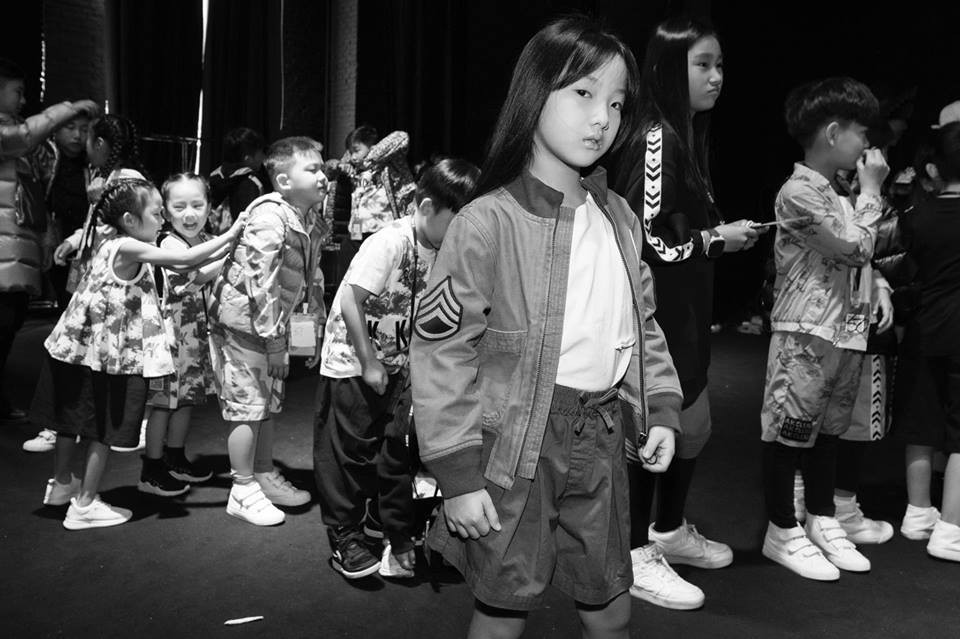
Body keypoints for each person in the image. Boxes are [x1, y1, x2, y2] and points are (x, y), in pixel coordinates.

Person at [410, 16, 682, 639]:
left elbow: (642, 323)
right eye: (583, 93)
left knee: (611, 608)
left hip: (603, 436)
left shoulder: (620, 218)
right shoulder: (487, 222)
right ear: (535, 93)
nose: (602, 118)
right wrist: (458, 478)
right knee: (502, 612)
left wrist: (661, 408)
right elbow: (442, 353)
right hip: (517, 445)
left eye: (616, 103)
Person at [612, 17, 760, 610]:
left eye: (720, 64)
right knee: (657, 429)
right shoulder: (657, 138)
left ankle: (667, 531)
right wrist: (717, 238)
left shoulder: (684, 135)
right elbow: (647, 240)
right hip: (658, 316)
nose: (717, 76)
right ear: (670, 69)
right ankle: (631, 554)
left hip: (686, 311)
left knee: (692, 425)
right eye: (703, 64)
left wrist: (716, 236)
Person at [37, 178, 246, 529]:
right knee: (102, 429)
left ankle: (61, 486)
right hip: (103, 358)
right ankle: (85, 504)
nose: (163, 220)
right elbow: (184, 261)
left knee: (69, 423)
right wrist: (234, 234)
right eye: (157, 213)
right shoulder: (129, 247)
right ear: (130, 220)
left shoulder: (111, 242)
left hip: (73, 350)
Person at [313, 158, 479, 579]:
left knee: (389, 449)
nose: (459, 235)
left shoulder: (439, 249)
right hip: (354, 363)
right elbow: (350, 300)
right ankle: (344, 534)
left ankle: (378, 520)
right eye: (455, 222)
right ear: (426, 207)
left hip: (397, 366)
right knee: (347, 453)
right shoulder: (389, 242)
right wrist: (368, 361)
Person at [760, 77, 891, 581]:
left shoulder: (839, 191)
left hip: (845, 331)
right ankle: (780, 529)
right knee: (789, 433)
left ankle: (821, 518)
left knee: (828, 433)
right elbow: (855, 246)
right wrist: (872, 192)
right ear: (834, 133)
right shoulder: (799, 192)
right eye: (862, 132)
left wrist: (878, 286)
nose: (867, 144)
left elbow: (862, 257)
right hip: (806, 333)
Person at [208, 136, 327, 526]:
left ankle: (261, 473)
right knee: (247, 406)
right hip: (243, 327)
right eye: (312, 169)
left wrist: (311, 332)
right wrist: (276, 341)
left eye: (322, 168)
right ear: (284, 180)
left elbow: (310, 279)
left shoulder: (310, 218)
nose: (323, 176)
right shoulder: (268, 216)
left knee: (267, 404)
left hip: (271, 327)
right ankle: (242, 488)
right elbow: (261, 283)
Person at [31, 114, 150, 454]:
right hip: (94, 281)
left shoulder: (126, 179)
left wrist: (96, 201)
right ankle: (64, 425)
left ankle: (96, 426)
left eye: (88, 137)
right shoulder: (105, 177)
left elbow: (124, 231)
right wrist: (73, 240)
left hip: (111, 286)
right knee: (78, 356)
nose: (83, 144)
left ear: (99, 143)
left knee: (94, 359)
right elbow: (98, 226)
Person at [0, 57, 98, 423]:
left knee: (11, 321)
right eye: (17, 91)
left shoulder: (24, 143)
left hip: (20, 246)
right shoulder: (17, 137)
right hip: (8, 248)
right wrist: (68, 109)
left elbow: (32, 199)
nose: (23, 100)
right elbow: (22, 136)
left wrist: (41, 238)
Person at [894, 121, 960, 560]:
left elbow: (899, 270)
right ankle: (951, 530)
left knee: (921, 418)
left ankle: (918, 513)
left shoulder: (916, 216)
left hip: (922, 328)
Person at [139, 173, 222, 496]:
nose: (190, 214)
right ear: (166, 211)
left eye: (197, 205)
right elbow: (192, 278)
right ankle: (152, 466)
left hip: (196, 335)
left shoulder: (208, 239)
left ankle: (175, 456)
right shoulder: (169, 243)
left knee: (187, 400)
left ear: (209, 207)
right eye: (180, 206)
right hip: (171, 337)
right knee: (164, 403)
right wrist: (227, 254)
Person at [208, 127, 270, 234]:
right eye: (261, 153)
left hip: (210, 239)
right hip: (238, 239)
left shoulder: (213, 177)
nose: (263, 158)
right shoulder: (251, 184)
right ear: (248, 159)